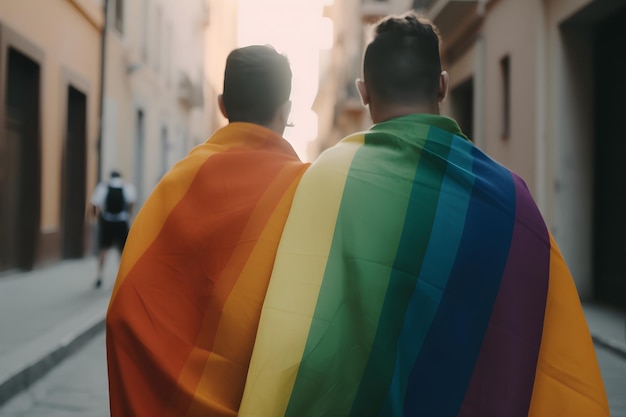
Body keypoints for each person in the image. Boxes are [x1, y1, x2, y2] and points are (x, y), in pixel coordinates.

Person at [238, 12, 610, 417]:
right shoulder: (510, 196)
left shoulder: (325, 179)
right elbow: (543, 337)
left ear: (363, 92)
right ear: (443, 85)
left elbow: (291, 330)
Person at [105, 45, 309, 417]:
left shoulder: (178, 181)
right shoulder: (307, 188)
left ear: (222, 105)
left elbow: (126, 307)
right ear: (287, 110)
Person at [90, 170, 136, 288]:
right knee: (123, 251)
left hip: (108, 221)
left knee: (104, 249)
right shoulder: (127, 187)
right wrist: (128, 215)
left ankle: (99, 276)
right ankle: (123, 276)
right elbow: (131, 202)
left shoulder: (103, 187)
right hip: (122, 220)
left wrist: (98, 216)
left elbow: (95, 204)